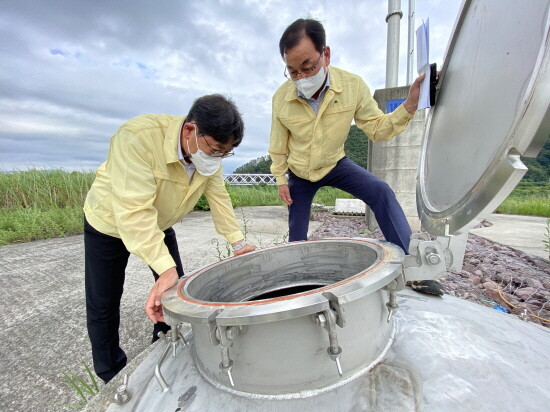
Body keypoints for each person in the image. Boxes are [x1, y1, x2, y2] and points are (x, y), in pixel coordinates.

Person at [84, 94, 255, 383]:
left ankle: (164, 342)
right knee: (104, 302)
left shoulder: (208, 155)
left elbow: (218, 196)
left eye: (225, 153)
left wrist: (238, 242)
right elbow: (134, 211)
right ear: (190, 130)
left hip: (160, 223)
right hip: (110, 223)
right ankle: (111, 375)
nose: (217, 158)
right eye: (214, 149)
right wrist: (164, 267)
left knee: (174, 292)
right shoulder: (137, 137)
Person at [269, 18, 424, 255]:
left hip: (335, 163)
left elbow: (377, 128)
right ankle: (299, 281)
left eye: (308, 67)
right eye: (292, 71)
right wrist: (281, 179)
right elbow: (278, 145)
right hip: (299, 172)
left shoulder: (353, 86)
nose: (301, 78)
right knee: (296, 235)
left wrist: (410, 106)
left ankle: (413, 265)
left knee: (380, 191)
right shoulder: (281, 98)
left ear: (326, 54)